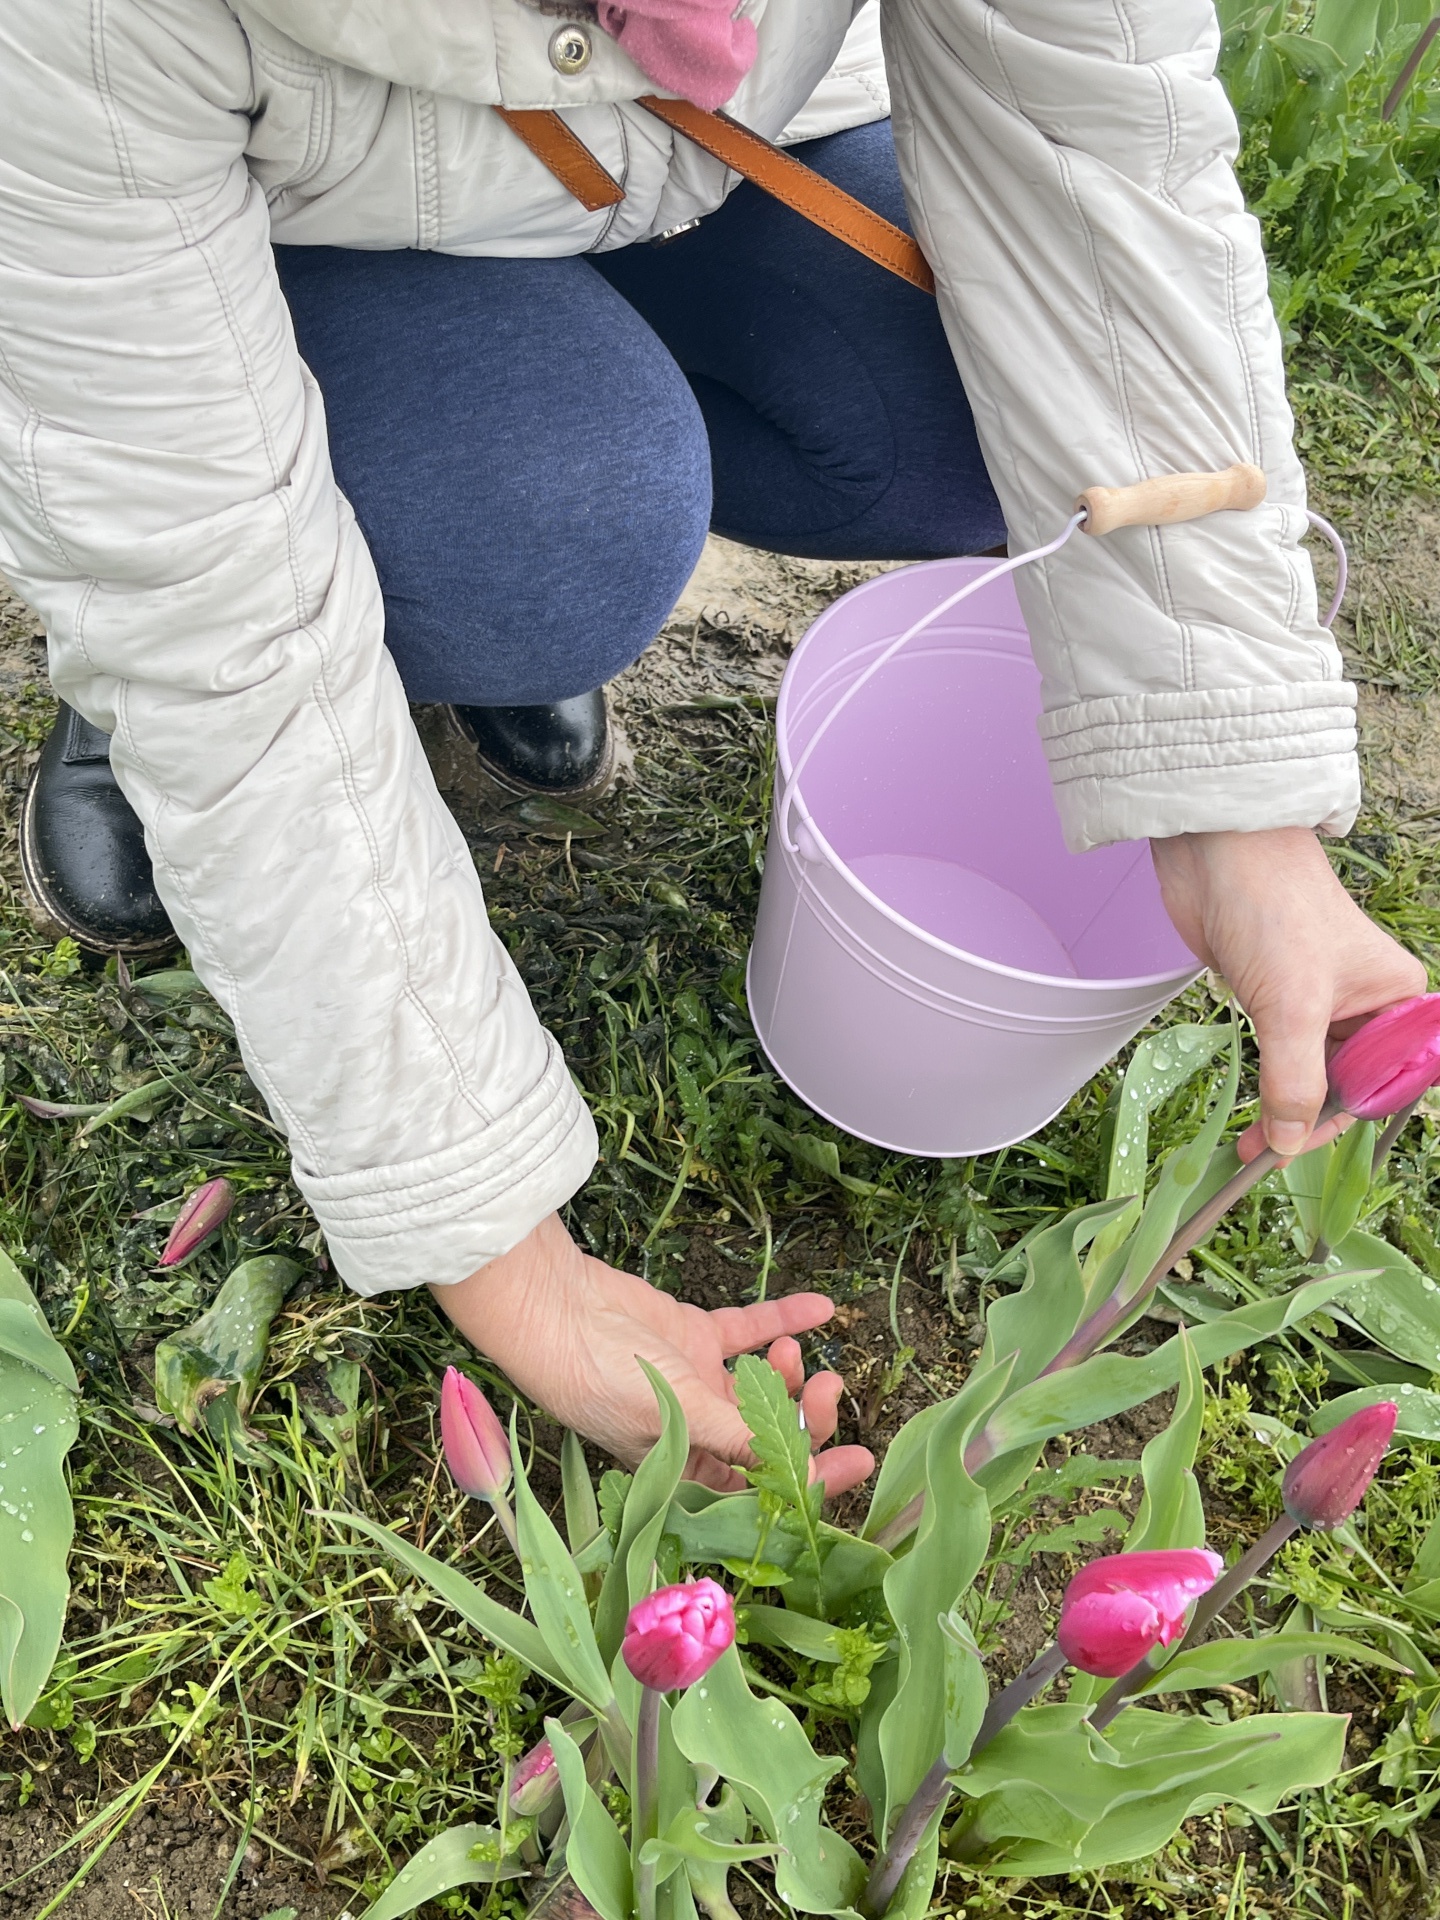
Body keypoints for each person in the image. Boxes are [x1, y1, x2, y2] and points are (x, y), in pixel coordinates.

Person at [0, 0, 1422, 1493]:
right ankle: (409, 581)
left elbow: (1108, 174)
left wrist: (1234, 812)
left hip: (674, 142)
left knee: (972, 403)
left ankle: (480, 556)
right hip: (266, 202)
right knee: (551, 538)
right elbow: (208, 604)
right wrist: (510, 1263)